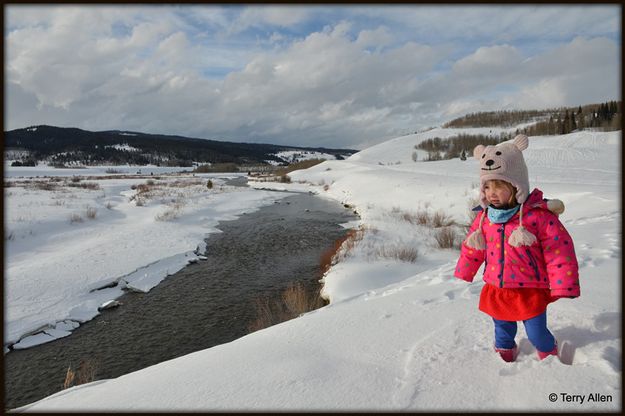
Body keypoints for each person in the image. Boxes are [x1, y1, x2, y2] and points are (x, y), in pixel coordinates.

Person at [454, 134, 580, 363]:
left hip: (530, 289)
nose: (492, 192)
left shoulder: (537, 216)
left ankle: (549, 355)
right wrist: (465, 269)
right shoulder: (484, 218)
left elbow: (559, 251)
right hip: (498, 288)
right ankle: (504, 355)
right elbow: (472, 248)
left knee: (536, 333)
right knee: (502, 330)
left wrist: (563, 283)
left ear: (517, 186)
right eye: (487, 187)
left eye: (500, 186)